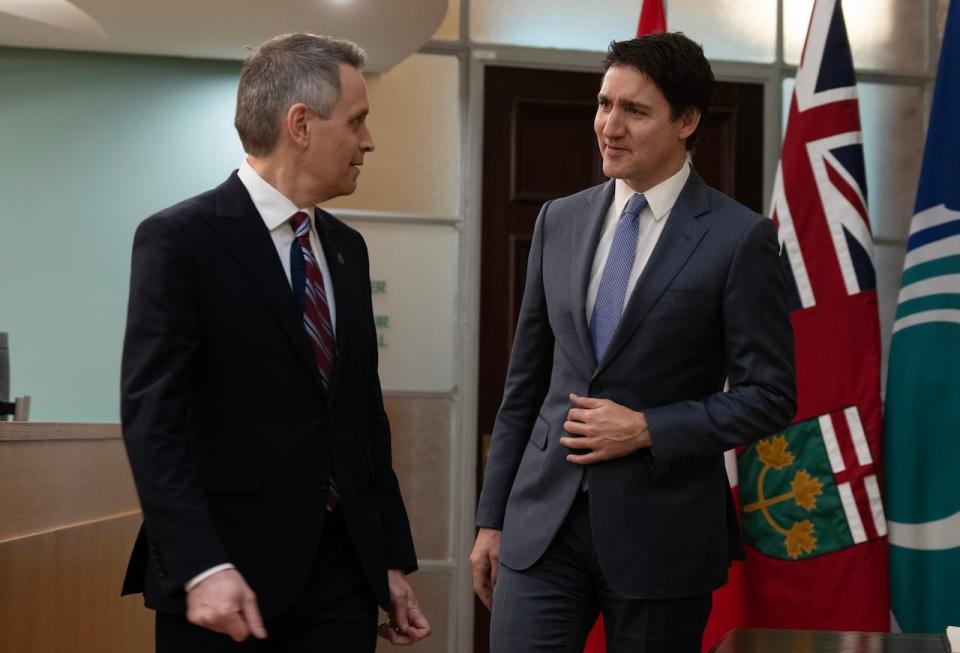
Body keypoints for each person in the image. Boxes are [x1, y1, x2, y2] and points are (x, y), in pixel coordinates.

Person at [470, 32, 796, 652]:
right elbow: (525, 383)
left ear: (687, 121)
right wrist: (491, 518)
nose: (608, 126)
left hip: (662, 535)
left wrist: (648, 427)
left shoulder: (740, 238)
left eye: (635, 111)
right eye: (603, 104)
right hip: (542, 525)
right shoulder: (557, 220)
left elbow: (770, 396)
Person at [120, 33, 430, 652]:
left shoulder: (346, 249)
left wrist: (389, 558)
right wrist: (200, 565)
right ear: (300, 125)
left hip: (343, 577)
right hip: (226, 579)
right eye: (358, 120)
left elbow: (363, 416)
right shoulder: (180, 240)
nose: (369, 141)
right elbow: (156, 420)